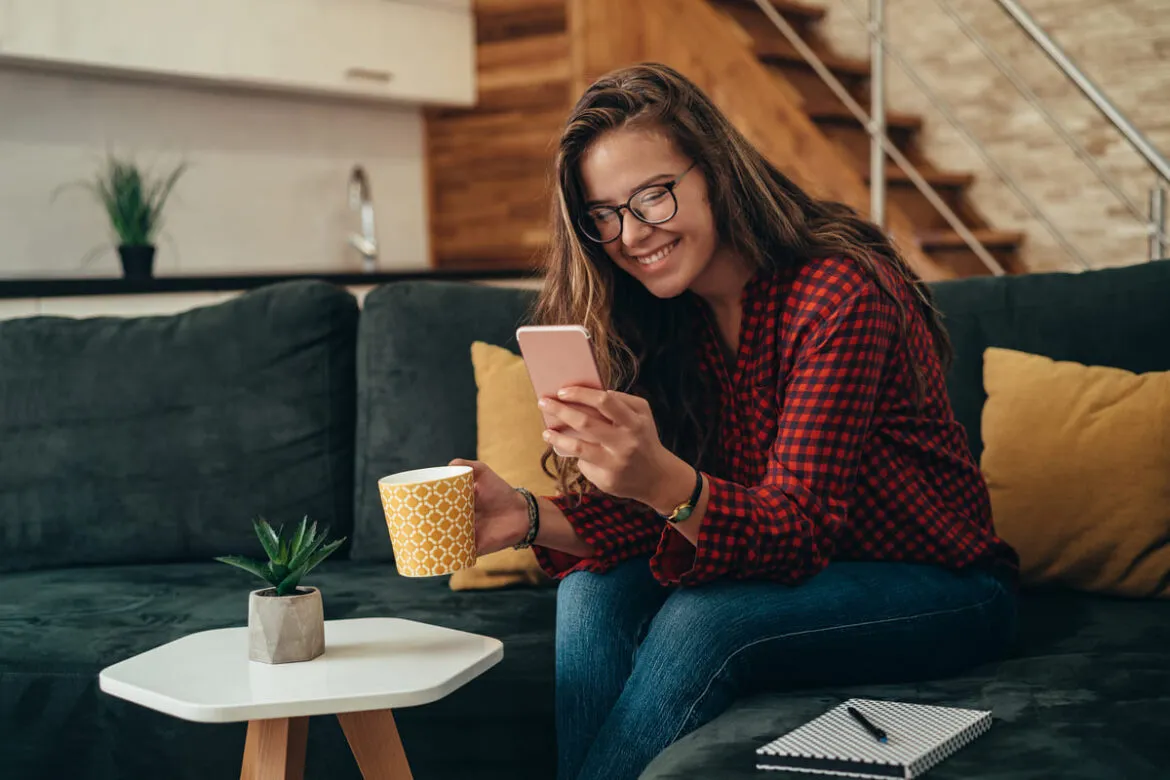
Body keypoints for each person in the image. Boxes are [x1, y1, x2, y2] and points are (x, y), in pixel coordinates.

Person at [452, 62, 1018, 780]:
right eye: (605, 214)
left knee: (705, 620)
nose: (630, 234)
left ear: (715, 171)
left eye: (652, 196)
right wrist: (525, 517)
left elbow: (799, 528)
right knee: (589, 590)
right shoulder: (665, 316)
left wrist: (663, 481)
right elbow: (665, 523)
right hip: (792, 567)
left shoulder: (840, 293)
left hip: (943, 586)